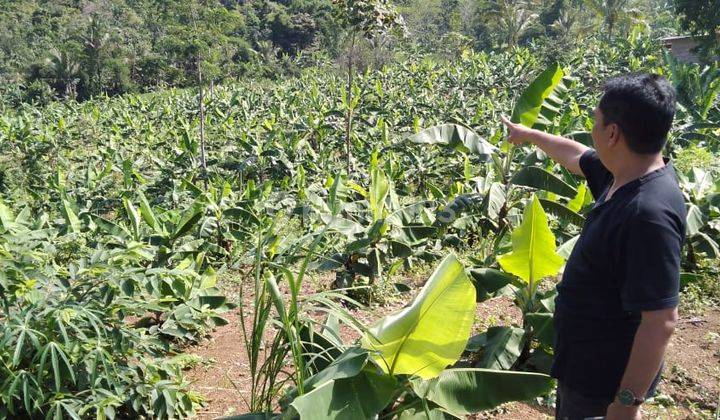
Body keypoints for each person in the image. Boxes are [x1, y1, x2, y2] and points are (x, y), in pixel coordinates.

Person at [501, 73, 686, 420]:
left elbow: (660, 321)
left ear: (613, 133)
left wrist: (626, 404)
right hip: (583, 369)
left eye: (595, 122)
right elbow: (576, 156)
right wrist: (529, 136)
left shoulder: (647, 214)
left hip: (604, 387)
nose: (592, 131)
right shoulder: (626, 174)